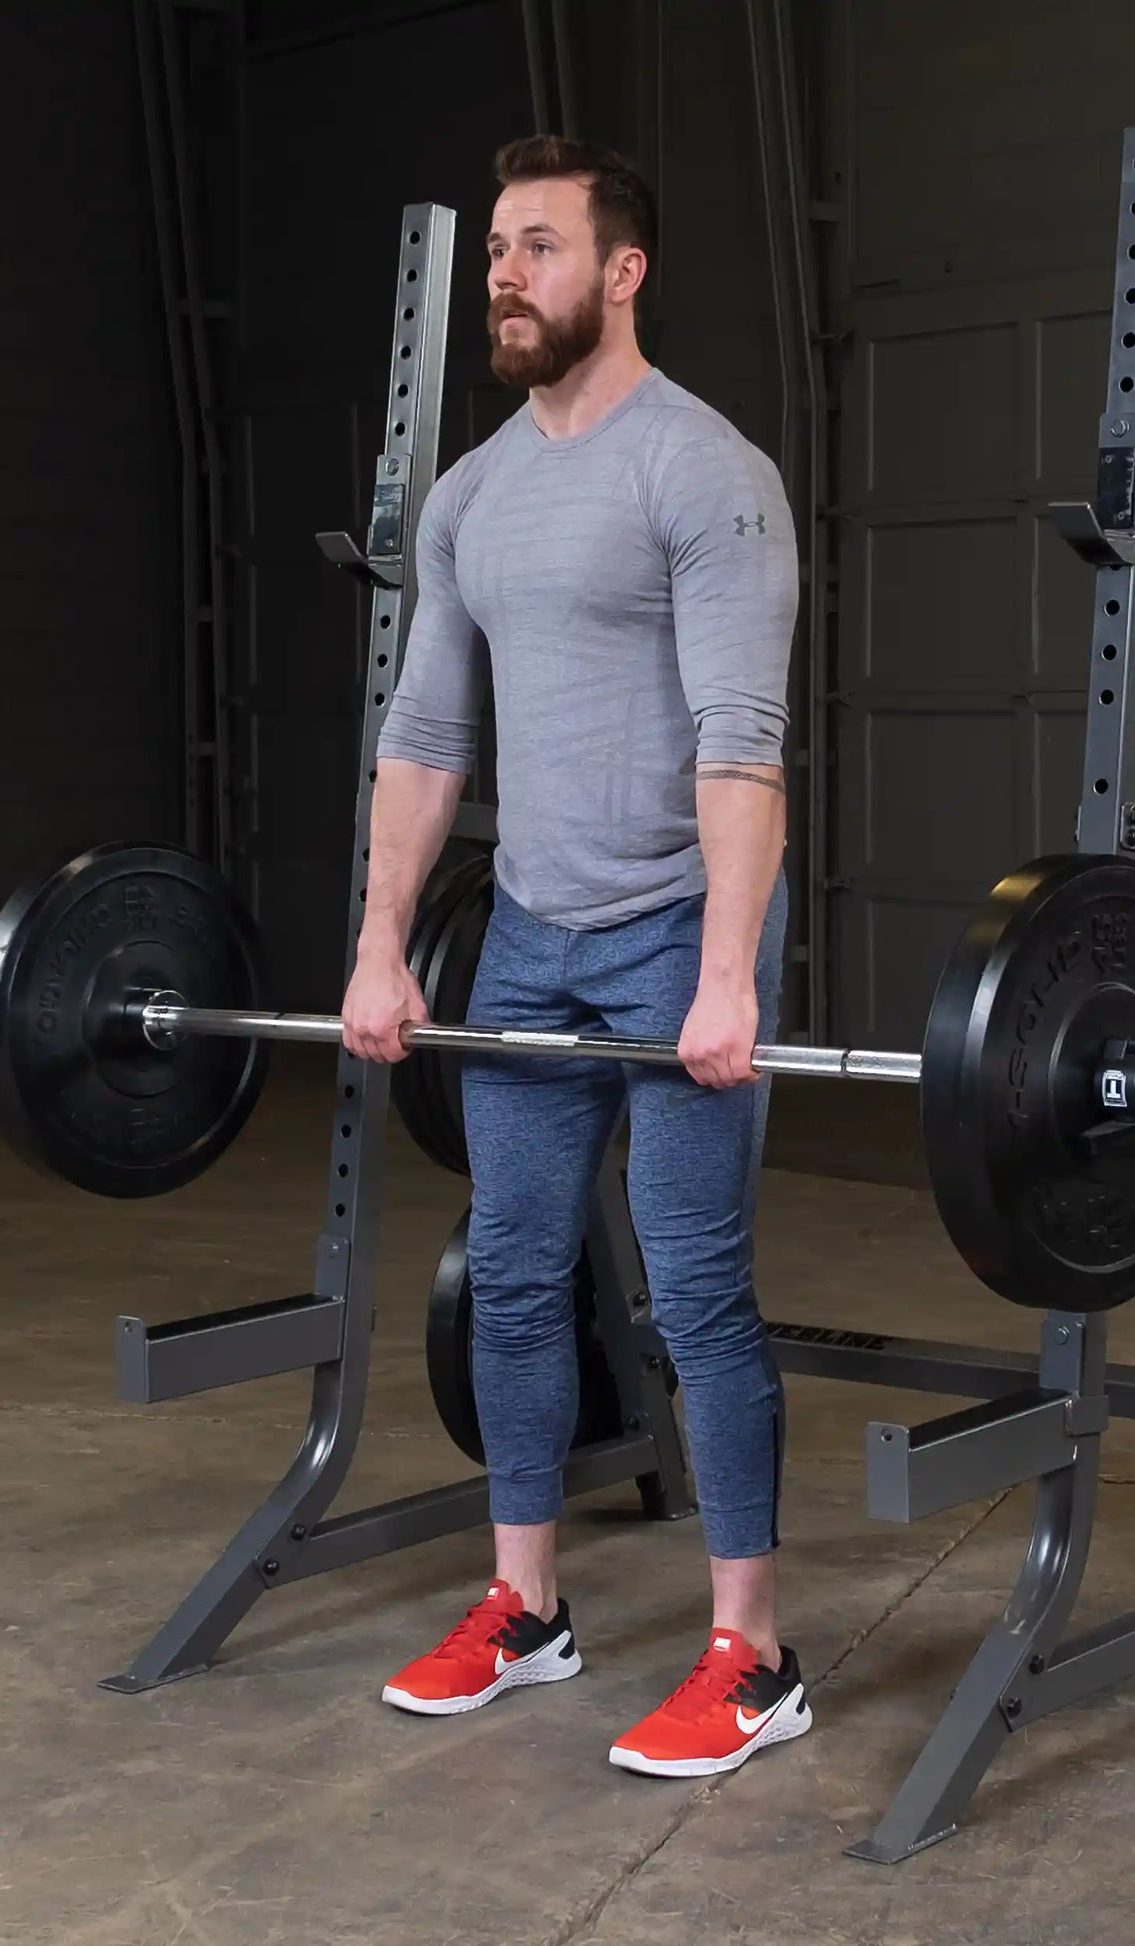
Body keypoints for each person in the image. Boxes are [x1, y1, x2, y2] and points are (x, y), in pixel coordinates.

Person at [340, 135, 807, 1779]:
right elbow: (423, 736)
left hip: (677, 928)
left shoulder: (705, 473)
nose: (504, 275)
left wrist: (730, 974)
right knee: (516, 1279)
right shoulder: (471, 496)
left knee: (692, 1294)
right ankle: (525, 1608)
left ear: (622, 271)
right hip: (527, 938)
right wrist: (384, 946)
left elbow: (743, 742)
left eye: (536, 247)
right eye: (495, 252)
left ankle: (752, 1651)